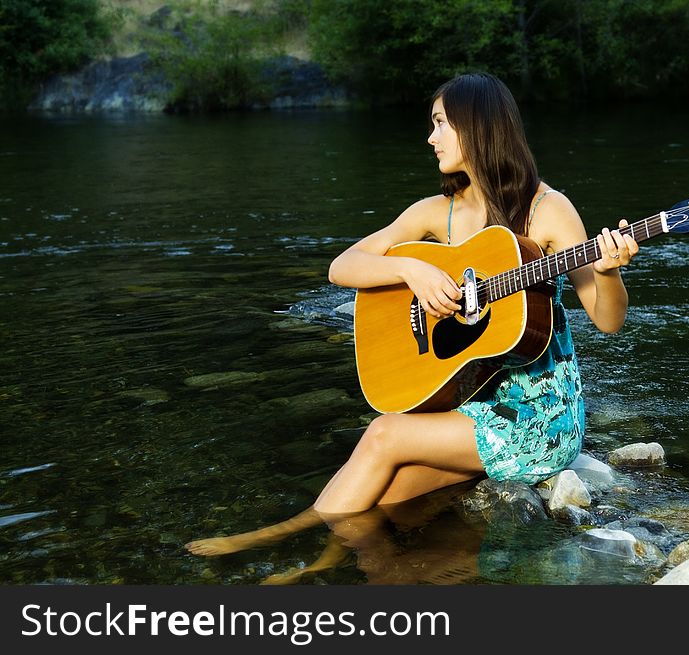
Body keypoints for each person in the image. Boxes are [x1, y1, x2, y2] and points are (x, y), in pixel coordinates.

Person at [185, 72, 638, 574]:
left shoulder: (546, 211)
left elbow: (607, 318)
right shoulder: (434, 214)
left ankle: (279, 538)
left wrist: (609, 270)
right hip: (466, 397)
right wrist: (410, 268)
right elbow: (342, 266)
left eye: (441, 124)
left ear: (478, 127)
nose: (431, 137)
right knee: (387, 495)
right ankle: (327, 557)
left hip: (538, 419)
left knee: (384, 435)